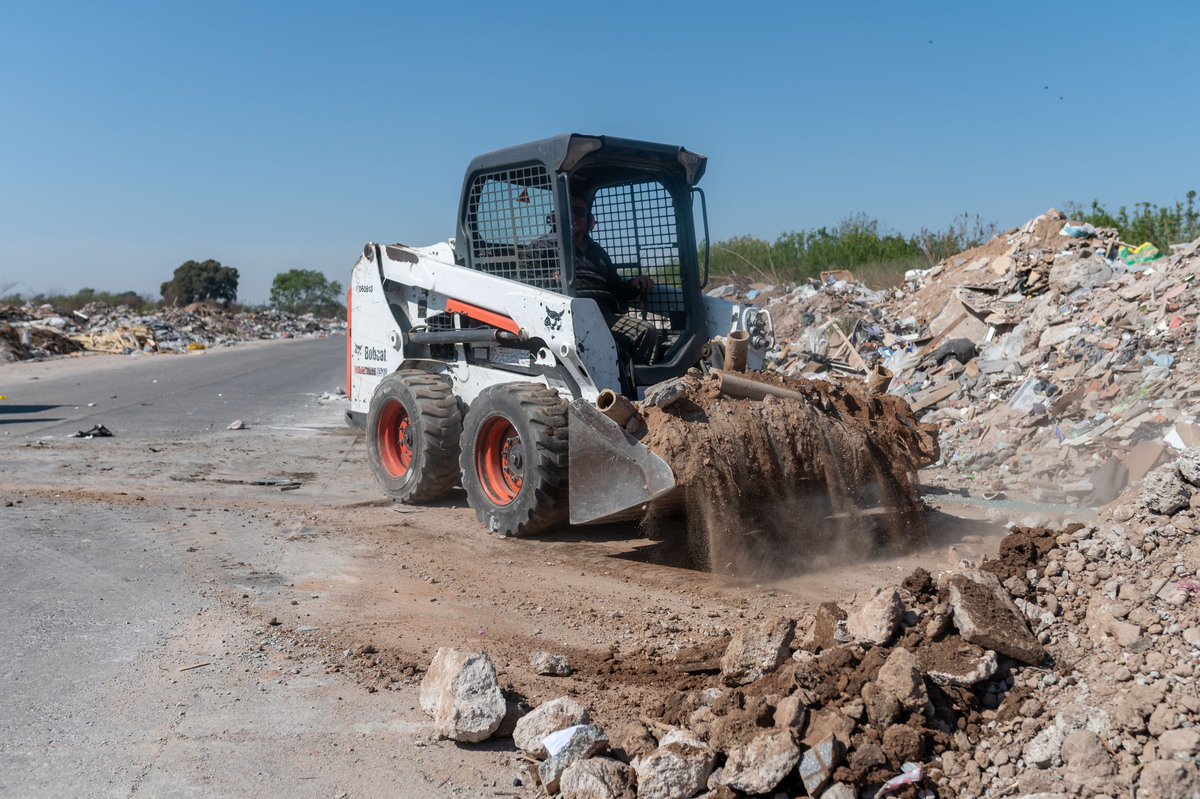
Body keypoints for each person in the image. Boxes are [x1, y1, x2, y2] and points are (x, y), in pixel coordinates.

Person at [569, 194, 660, 364]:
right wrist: (549, 281)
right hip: (567, 318)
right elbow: (522, 279)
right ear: (555, 217)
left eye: (579, 212)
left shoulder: (598, 252)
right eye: (567, 211)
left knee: (646, 332)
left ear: (589, 219)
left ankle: (635, 384)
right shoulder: (543, 248)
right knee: (645, 331)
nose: (573, 216)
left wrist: (633, 285)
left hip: (603, 316)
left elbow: (614, 289)